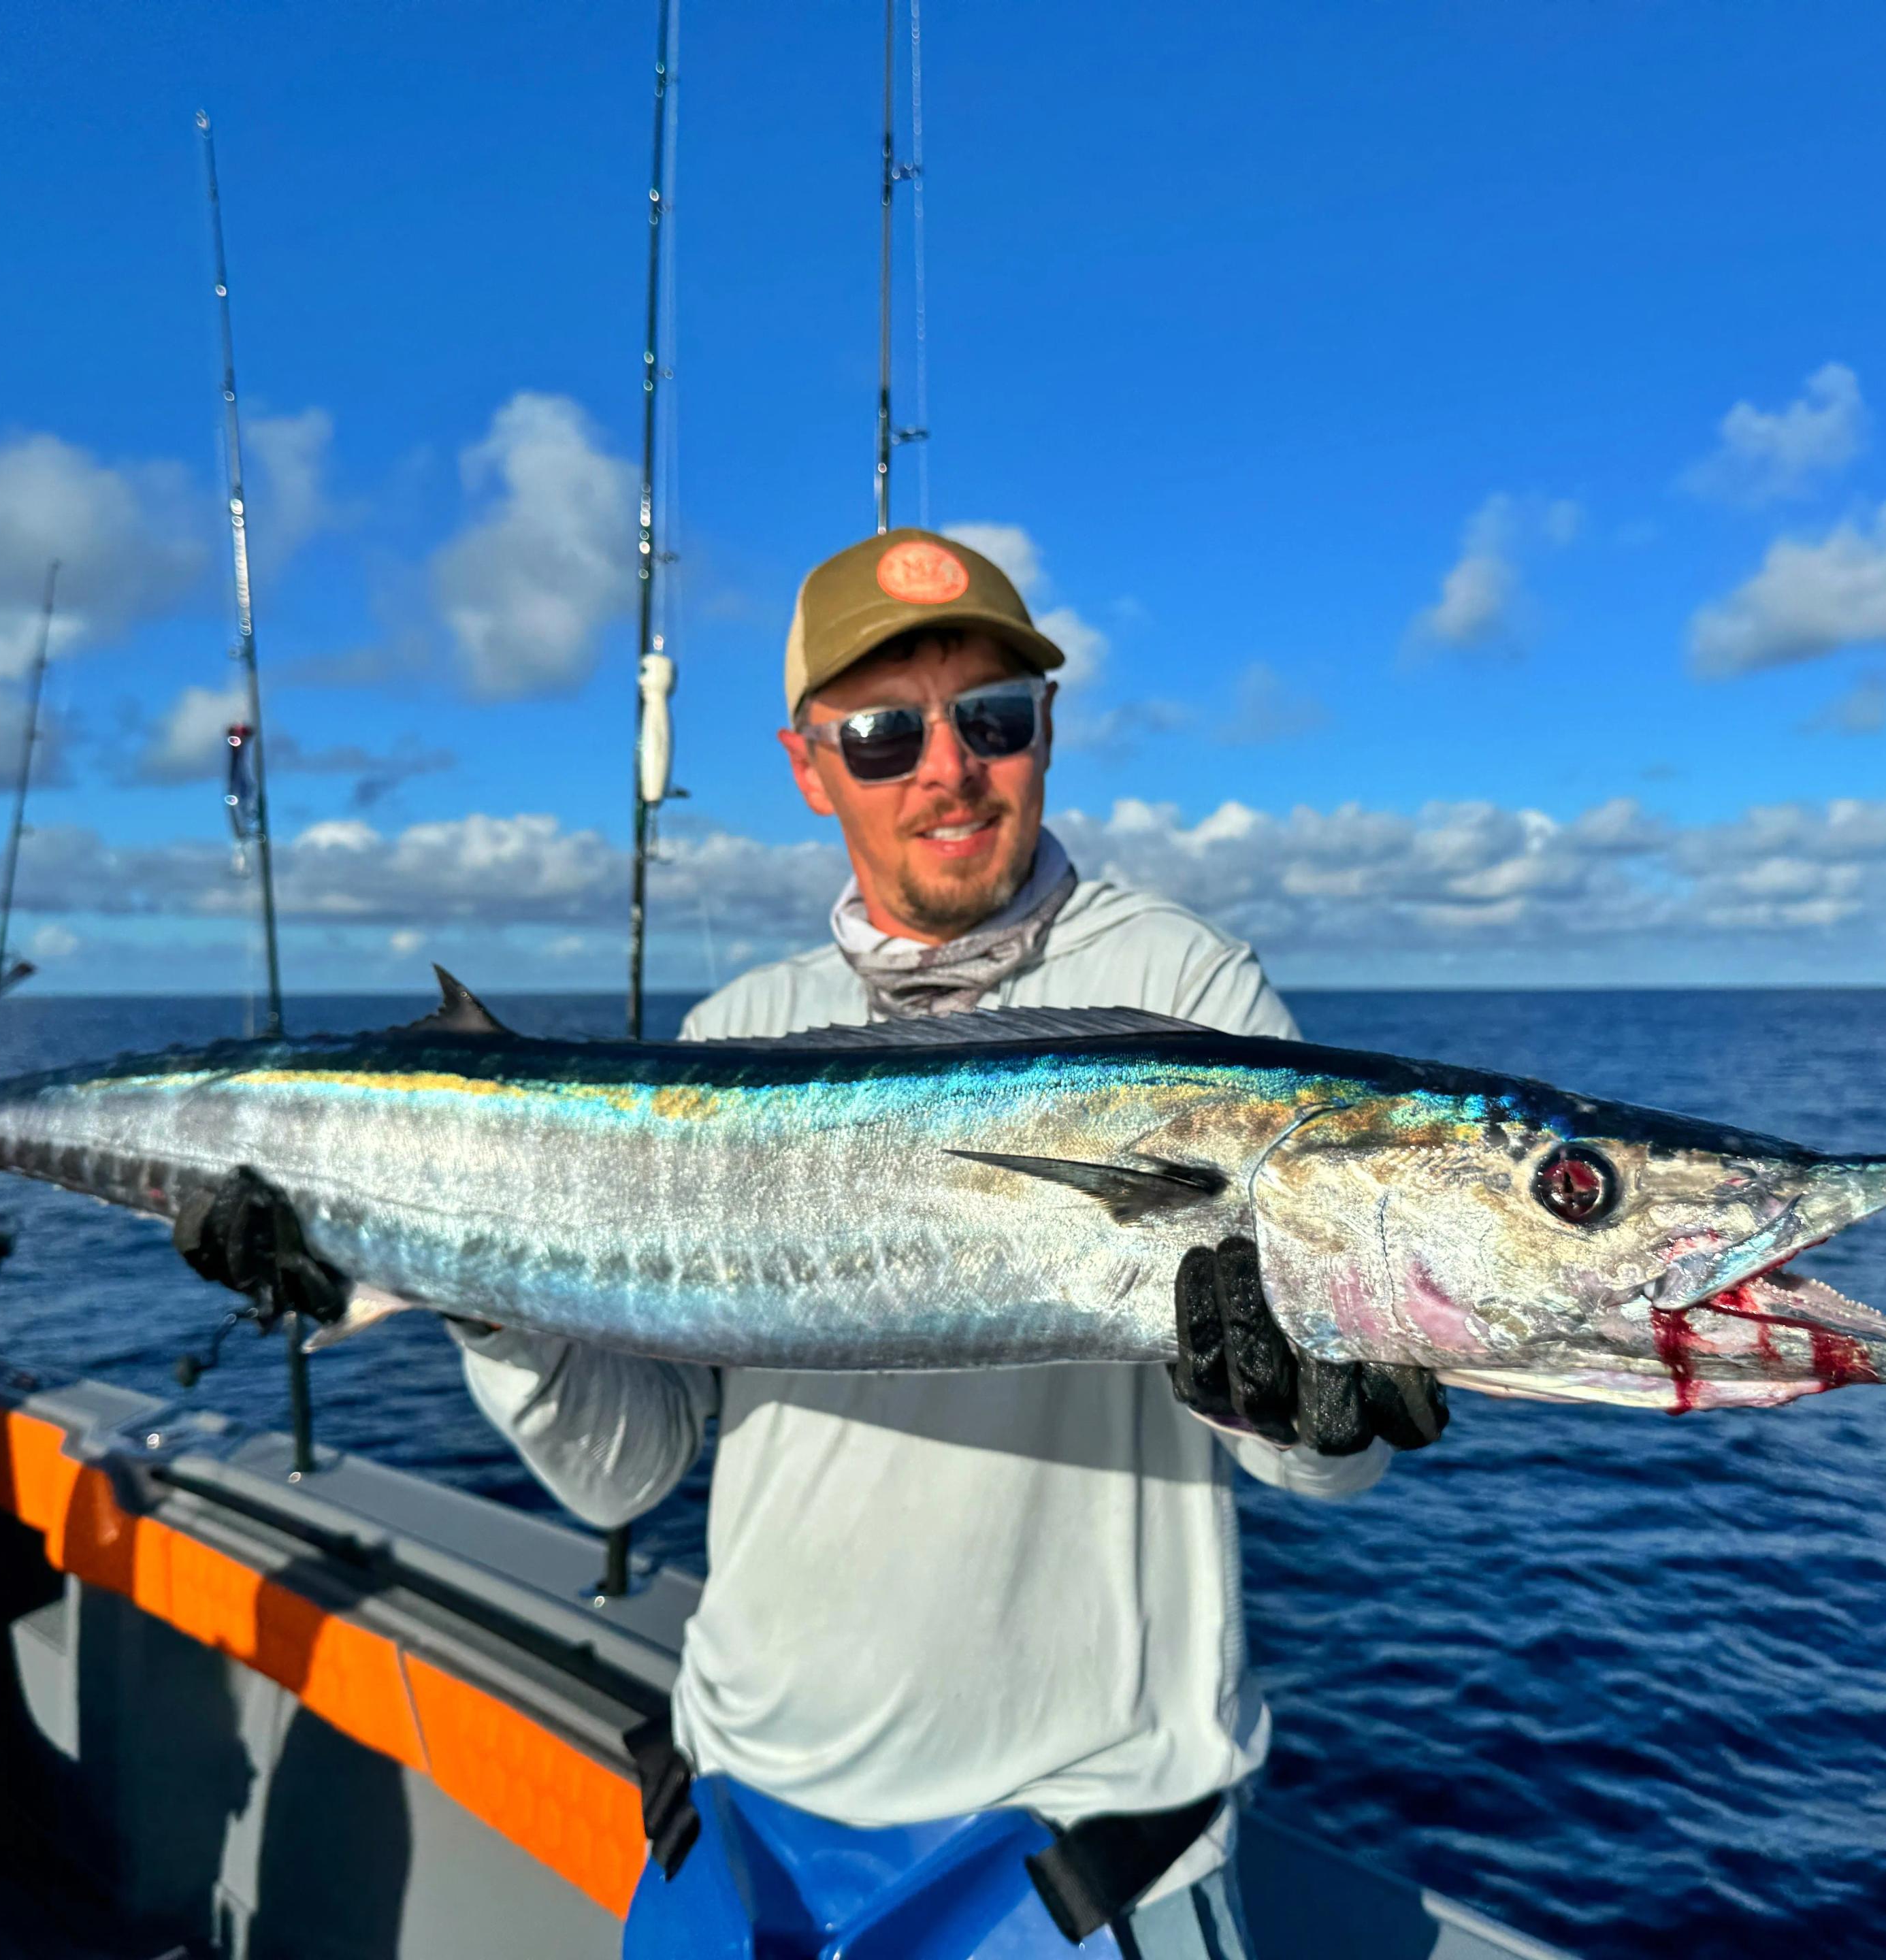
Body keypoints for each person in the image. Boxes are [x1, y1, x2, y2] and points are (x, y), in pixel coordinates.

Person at [178, 528, 1446, 1958]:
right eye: (886, 733)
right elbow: (625, 1468)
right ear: (809, 766)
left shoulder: (1182, 990)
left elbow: (1321, 1460)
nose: (948, 769)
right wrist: (461, 1279)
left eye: (993, 719)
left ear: (1045, 734)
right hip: (734, 1816)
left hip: (1067, 1861)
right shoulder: (738, 1034)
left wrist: (1326, 1400)